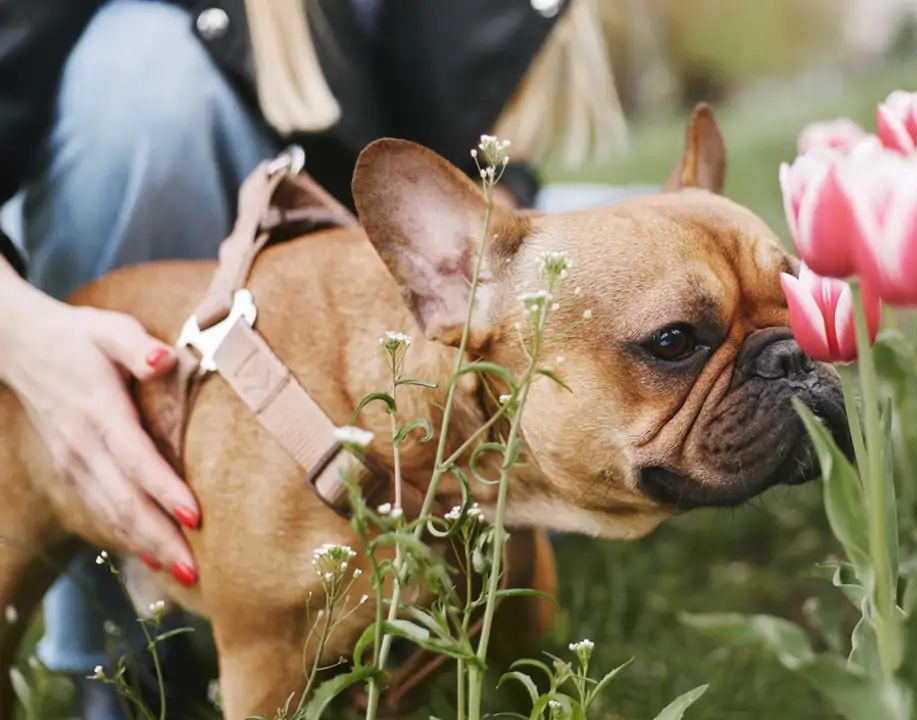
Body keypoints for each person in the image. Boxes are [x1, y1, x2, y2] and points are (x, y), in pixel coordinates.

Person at [0, 0, 636, 716]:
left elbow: (470, 170)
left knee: (652, 260)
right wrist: (24, 336)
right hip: (137, 263)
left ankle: (409, 597)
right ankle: (122, 655)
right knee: (142, 79)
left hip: (384, 282)